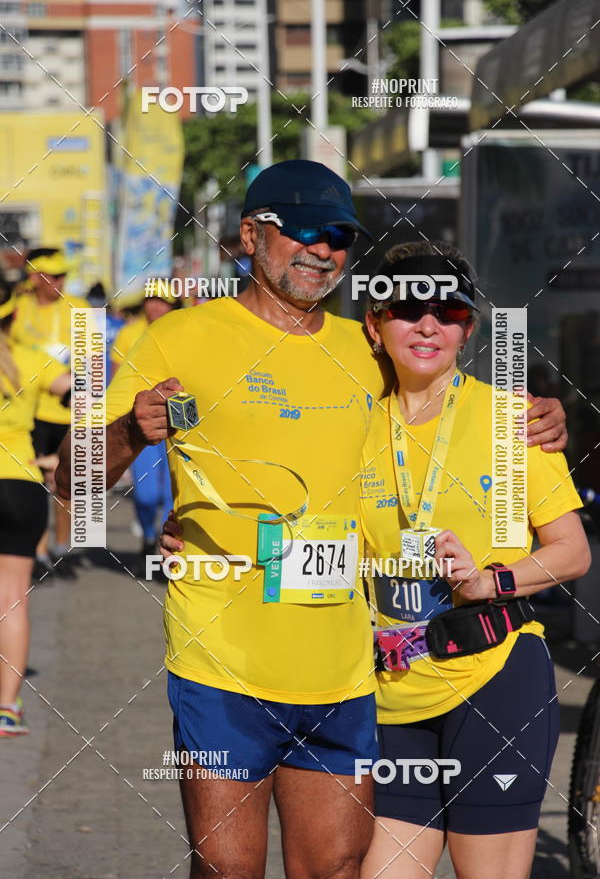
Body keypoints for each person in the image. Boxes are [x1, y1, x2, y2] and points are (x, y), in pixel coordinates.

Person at [56, 161, 567, 878]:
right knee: (228, 868)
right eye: (301, 230)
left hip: (346, 669)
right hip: (224, 661)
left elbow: (445, 389)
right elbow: (71, 483)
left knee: (333, 868)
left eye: (338, 236)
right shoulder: (178, 339)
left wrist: (536, 414)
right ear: (249, 235)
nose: (321, 249)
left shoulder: (365, 348)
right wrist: (127, 435)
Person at [357, 241, 590, 878]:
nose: (428, 323)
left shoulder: (512, 421)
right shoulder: (349, 424)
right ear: (375, 325)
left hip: (495, 681)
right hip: (390, 695)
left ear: (468, 328)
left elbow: (571, 552)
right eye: (406, 308)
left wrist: (492, 580)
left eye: (448, 310)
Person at [0, 281, 70, 736]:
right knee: (12, 600)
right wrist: (58, 455)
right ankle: (6, 707)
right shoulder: (25, 359)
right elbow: (83, 387)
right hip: (20, 482)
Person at [10, 247, 88, 580]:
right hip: (32, 413)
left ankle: (61, 549)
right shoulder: (17, 309)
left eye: (64, 275)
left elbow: (94, 364)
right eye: (54, 276)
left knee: (66, 485)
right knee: (36, 483)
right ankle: (39, 554)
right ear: (36, 277)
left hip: (70, 414)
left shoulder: (80, 309)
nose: (60, 282)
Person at [110, 288, 178, 566]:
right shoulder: (129, 333)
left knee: (173, 491)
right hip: (140, 422)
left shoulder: (186, 328)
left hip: (179, 422)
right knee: (147, 490)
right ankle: (148, 535)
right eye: (152, 300)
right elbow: (116, 375)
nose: (156, 306)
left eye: (163, 301)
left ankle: (168, 547)